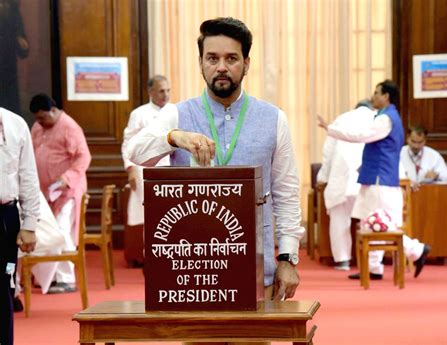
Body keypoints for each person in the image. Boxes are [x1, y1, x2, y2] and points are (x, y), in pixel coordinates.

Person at [127, 17, 304, 302]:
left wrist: (287, 258)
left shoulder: (273, 119)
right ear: (201, 63)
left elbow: (286, 192)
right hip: (193, 272)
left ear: (246, 63)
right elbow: (135, 151)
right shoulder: (177, 114)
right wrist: (173, 137)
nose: (221, 66)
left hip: (257, 271)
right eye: (212, 58)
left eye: (231, 58)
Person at [317, 80, 431, 280]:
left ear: (386, 96)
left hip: (380, 179)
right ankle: (374, 268)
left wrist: (331, 128)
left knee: (381, 225)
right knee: (370, 223)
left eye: (377, 92)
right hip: (374, 177)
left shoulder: (385, 119)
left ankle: (417, 249)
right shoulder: (385, 116)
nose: (373, 96)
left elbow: (360, 136)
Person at [30, 93, 91, 293]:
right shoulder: (38, 127)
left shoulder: (69, 127)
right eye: (37, 118)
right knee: (45, 233)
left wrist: (66, 178)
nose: (39, 122)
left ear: (54, 110)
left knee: (63, 230)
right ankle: (47, 278)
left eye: (43, 117)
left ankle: (66, 279)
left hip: (68, 190)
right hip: (44, 192)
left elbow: (83, 157)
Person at [317, 100, 375, 270]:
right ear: (371, 107)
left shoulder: (341, 119)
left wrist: (323, 178)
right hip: (366, 176)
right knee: (370, 219)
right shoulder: (377, 118)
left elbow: (327, 153)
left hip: (340, 177)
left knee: (339, 218)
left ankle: (343, 260)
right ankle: (371, 262)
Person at [0, 106, 39, 345]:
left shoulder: (15, 124)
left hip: (5, 216)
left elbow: (28, 176)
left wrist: (30, 224)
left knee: (3, 286)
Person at [121, 75, 177, 227]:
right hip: (144, 170)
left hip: (171, 169)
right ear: (150, 92)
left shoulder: (175, 111)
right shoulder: (139, 114)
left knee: (171, 215)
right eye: (161, 91)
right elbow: (128, 143)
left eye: (168, 90)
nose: (165, 95)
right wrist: (130, 168)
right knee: (148, 215)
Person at [401, 124, 447, 189]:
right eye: (413, 142)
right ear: (407, 139)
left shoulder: (433, 155)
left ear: (425, 140)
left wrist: (437, 175)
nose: (416, 146)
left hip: (427, 194)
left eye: (420, 142)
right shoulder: (399, 154)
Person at [0, 0, 29, 114]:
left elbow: (20, 35)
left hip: (8, 63)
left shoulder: (13, 9)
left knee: (9, 103)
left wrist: (23, 46)